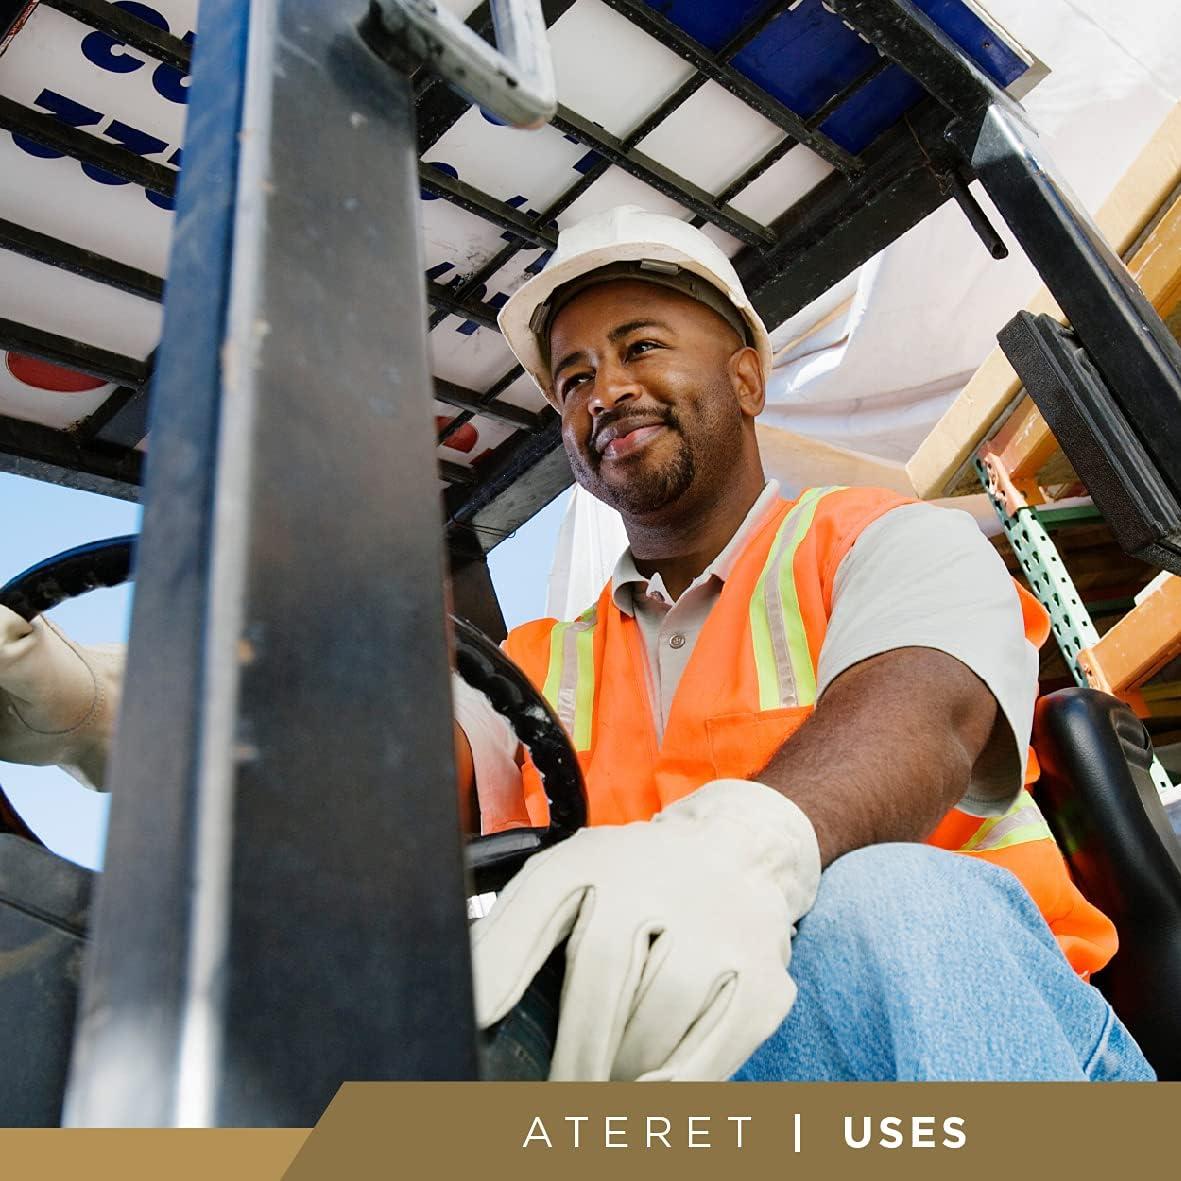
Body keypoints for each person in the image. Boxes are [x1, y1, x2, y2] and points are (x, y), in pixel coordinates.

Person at [0, 206, 1154, 1085]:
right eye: (572, 376)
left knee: (890, 901)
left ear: (747, 375)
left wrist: (744, 849)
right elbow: (343, 760)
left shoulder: (878, 540)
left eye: (641, 346)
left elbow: (926, 708)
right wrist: (96, 710)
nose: (604, 389)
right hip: (689, 1075)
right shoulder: (535, 663)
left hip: (985, 1032)